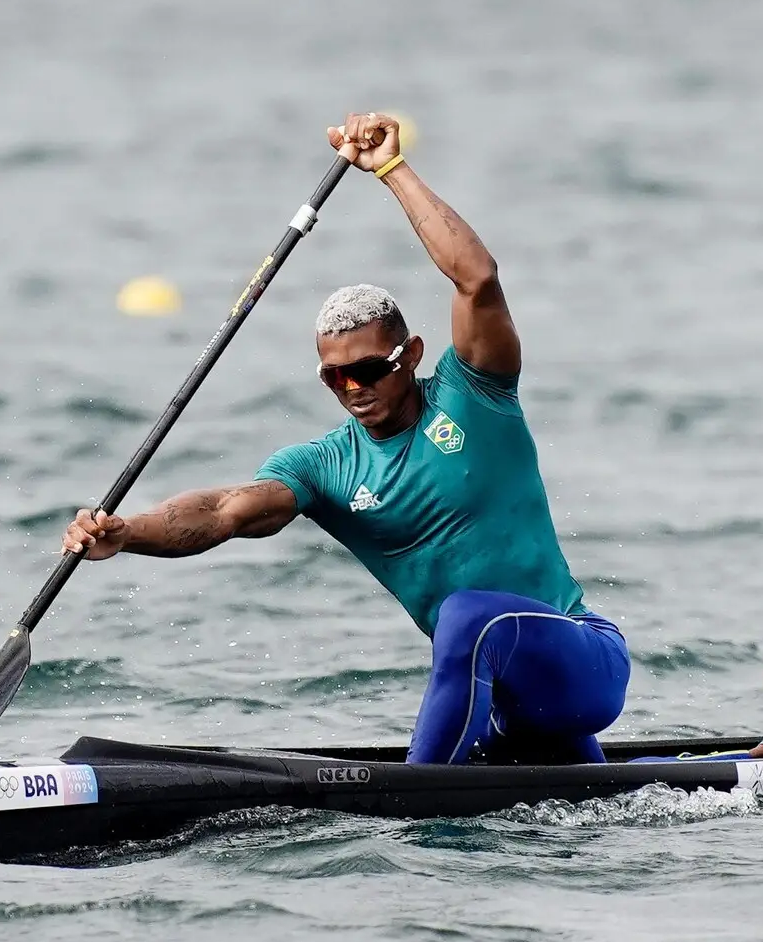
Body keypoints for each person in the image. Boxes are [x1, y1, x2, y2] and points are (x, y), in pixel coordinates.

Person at [64, 111, 631, 765]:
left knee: (467, 616)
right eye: (334, 376)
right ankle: (749, 765)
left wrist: (390, 169)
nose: (353, 386)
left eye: (368, 368)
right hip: (507, 701)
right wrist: (125, 532)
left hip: (584, 661)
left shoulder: (474, 393)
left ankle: (418, 801)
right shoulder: (326, 465)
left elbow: (477, 277)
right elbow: (226, 511)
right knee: (580, 786)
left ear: (411, 353)